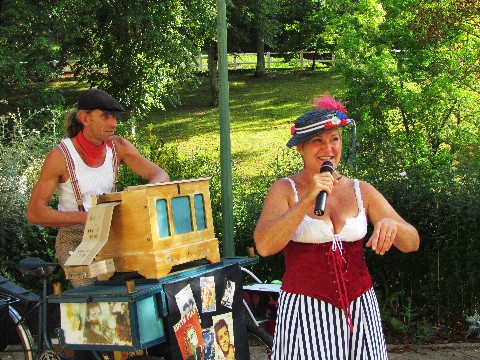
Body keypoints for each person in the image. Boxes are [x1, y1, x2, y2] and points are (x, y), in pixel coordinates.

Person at [253, 94, 420, 359]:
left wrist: (392, 224)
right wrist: (307, 199)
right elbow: (264, 246)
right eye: (317, 141)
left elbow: (412, 243)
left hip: (360, 310)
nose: (328, 149)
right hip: (305, 311)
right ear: (301, 148)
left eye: (334, 139)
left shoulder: (360, 190)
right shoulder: (284, 189)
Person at [26, 88, 170, 287]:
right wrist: (85, 218)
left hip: (115, 236)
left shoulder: (118, 147)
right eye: (105, 116)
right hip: (75, 240)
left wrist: (138, 197)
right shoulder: (60, 156)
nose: (114, 123)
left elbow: (161, 175)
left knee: (140, 287)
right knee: (95, 297)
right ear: (84, 118)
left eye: (114, 117)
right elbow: (35, 212)